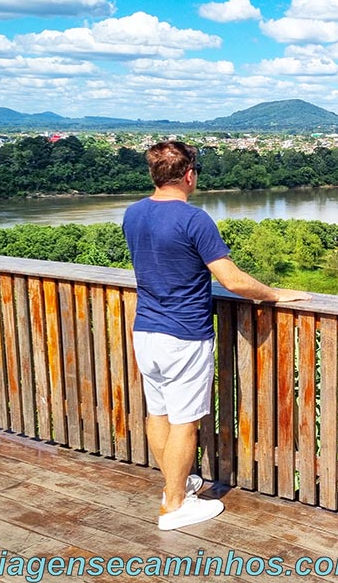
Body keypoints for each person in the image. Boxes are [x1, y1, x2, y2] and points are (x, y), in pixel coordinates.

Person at [123, 140, 310, 531]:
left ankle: (175, 486)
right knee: (185, 422)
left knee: (157, 413)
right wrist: (274, 294)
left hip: (146, 330)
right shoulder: (194, 220)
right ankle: (175, 506)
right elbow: (231, 279)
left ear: (153, 174)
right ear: (189, 175)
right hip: (185, 335)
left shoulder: (134, 213)